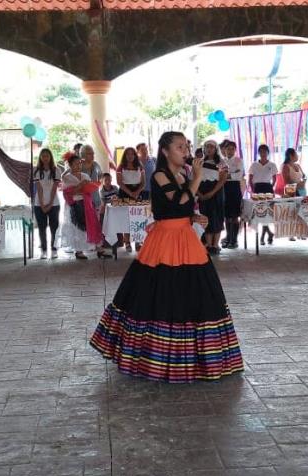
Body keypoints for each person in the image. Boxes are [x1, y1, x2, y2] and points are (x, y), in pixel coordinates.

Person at [89, 131, 244, 383]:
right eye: (180, 147)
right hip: (164, 241)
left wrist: (194, 217)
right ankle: (156, 359)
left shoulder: (182, 174)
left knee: (198, 292)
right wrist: (196, 178)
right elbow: (180, 199)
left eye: (186, 146)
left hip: (185, 237)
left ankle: (202, 359)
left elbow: (180, 208)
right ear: (165, 151)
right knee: (160, 293)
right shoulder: (159, 174)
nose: (185, 151)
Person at [60, 155, 102, 259]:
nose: (78, 165)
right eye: (75, 164)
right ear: (70, 165)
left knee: (90, 226)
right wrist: (81, 186)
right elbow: (69, 193)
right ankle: (78, 250)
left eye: (79, 163)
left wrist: (87, 187)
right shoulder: (67, 177)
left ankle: (94, 246)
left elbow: (88, 190)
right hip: (74, 205)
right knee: (76, 228)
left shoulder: (85, 176)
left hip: (87, 204)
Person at [198, 140, 228, 255]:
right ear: (204, 149)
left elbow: (223, 179)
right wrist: (199, 193)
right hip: (202, 190)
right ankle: (209, 245)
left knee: (217, 217)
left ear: (216, 149)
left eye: (212, 147)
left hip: (216, 192)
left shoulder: (221, 162)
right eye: (207, 147)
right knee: (206, 217)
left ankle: (215, 245)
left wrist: (212, 192)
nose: (209, 149)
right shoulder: (200, 162)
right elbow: (194, 178)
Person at [33, 148, 62, 260]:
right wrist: (41, 204)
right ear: (40, 157)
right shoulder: (36, 171)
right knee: (41, 228)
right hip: (38, 204)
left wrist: (49, 204)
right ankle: (43, 250)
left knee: (54, 227)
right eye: (43, 156)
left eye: (47, 156)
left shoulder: (56, 170)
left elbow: (54, 188)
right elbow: (38, 189)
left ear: (50, 157)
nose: (45, 158)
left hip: (54, 203)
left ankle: (54, 249)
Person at [116, 147, 147, 251]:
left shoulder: (140, 166)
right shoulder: (120, 167)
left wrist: (137, 192)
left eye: (132, 154)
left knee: (138, 217)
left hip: (138, 193)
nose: (130, 156)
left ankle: (138, 242)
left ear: (135, 155)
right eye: (128, 154)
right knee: (127, 219)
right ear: (125, 155)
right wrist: (130, 193)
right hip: (124, 193)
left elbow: (143, 182)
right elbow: (119, 182)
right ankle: (127, 242)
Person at [248, 144, 277, 245]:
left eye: (265, 151)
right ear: (259, 153)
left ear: (268, 153)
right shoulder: (254, 165)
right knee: (259, 212)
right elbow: (250, 179)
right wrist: (253, 190)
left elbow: (274, 178)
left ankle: (264, 235)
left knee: (267, 212)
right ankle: (267, 233)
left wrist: (271, 187)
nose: (263, 153)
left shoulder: (272, 165)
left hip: (267, 188)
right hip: (257, 188)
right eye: (261, 151)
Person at [221, 141, 244, 249]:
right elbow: (220, 175)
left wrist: (227, 175)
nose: (230, 151)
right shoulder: (222, 161)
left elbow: (239, 175)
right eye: (228, 149)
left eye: (232, 149)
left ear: (235, 150)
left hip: (234, 189)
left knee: (234, 216)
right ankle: (228, 237)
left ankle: (234, 240)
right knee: (226, 216)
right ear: (224, 150)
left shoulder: (238, 160)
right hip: (224, 188)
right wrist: (231, 174)